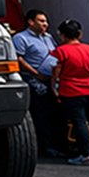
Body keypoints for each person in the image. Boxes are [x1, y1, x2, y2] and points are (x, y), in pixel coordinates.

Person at [51, 20, 89, 166]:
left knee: (79, 122)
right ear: (80, 34)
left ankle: (86, 155)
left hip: (72, 91)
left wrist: (54, 87)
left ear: (62, 35)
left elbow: (55, 71)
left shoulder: (60, 51)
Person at [13, 9, 64, 157]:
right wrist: (36, 73)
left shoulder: (48, 37)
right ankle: (46, 146)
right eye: (41, 21)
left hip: (51, 79)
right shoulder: (20, 38)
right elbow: (19, 59)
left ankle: (59, 144)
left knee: (56, 112)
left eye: (45, 21)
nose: (45, 24)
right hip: (34, 79)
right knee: (42, 113)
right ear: (30, 22)